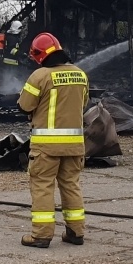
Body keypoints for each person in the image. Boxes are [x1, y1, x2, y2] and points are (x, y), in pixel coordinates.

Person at [16, 32, 88, 248]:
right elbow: (83, 104)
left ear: (39, 55)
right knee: (71, 186)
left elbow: (24, 106)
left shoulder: (40, 76)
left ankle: (41, 236)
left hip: (46, 146)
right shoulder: (80, 75)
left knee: (43, 187)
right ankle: (76, 233)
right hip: (75, 145)